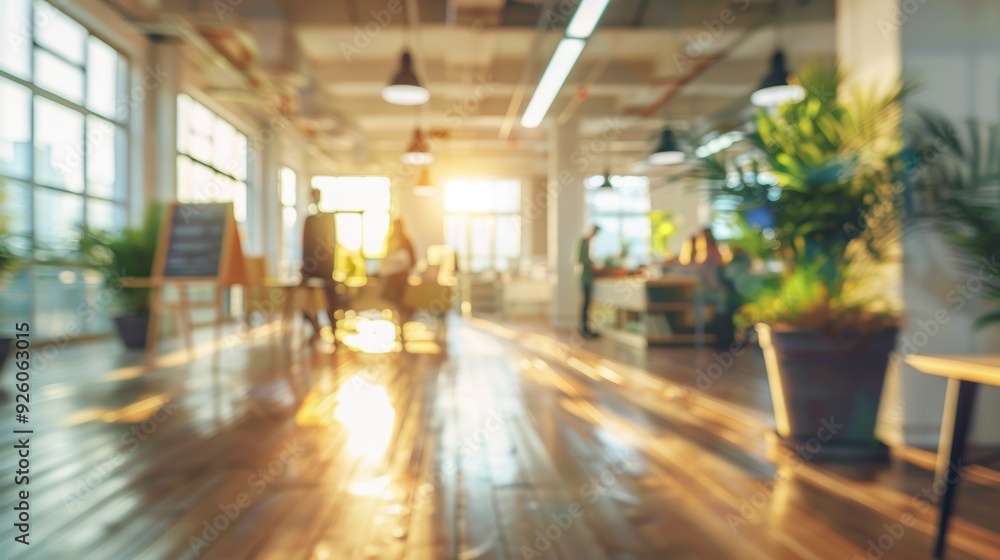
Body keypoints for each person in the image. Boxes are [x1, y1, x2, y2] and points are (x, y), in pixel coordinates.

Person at [300, 187, 341, 343]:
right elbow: (305, 245)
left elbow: (332, 245)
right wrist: (304, 269)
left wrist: (330, 269)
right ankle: (315, 328)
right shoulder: (309, 220)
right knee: (305, 301)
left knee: (330, 302)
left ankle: (333, 332)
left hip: (326, 270)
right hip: (310, 270)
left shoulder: (327, 219)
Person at [379, 218, 417, 329]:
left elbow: (412, 260)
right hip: (393, 278)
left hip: (400, 278)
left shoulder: (405, 241)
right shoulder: (390, 239)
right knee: (396, 302)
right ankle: (399, 323)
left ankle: (402, 323)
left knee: (401, 302)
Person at [575, 224, 601, 338]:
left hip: (588, 277)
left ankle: (586, 327)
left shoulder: (588, 242)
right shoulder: (584, 241)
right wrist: (592, 263)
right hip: (585, 277)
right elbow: (580, 258)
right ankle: (584, 328)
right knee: (586, 302)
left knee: (588, 303)